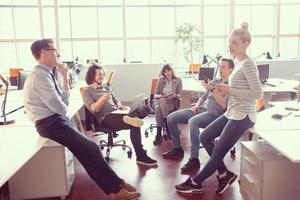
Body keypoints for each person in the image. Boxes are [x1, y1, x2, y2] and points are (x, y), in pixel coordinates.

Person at [23, 39, 140, 200]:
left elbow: (62, 102)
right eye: (54, 50)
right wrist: (63, 102)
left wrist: (64, 77)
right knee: (91, 148)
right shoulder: (40, 77)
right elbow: (61, 107)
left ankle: (116, 186)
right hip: (49, 123)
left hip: (56, 119)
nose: (58, 53)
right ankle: (114, 189)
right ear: (43, 52)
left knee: (88, 151)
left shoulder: (48, 73)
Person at [175, 22, 263, 195]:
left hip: (243, 115)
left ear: (246, 44)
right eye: (230, 42)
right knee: (205, 136)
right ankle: (224, 174)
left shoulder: (248, 64)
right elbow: (239, 90)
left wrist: (230, 89)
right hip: (233, 111)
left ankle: (196, 182)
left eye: (235, 43)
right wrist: (223, 90)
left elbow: (257, 92)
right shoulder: (238, 62)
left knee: (218, 152)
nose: (230, 45)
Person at [163, 58, 234, 173]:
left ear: (231, 69)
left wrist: (212, 90)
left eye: (224, 67)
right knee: (171, 118)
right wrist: (197, 105)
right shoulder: (216, 80)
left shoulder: (230, 86)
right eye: (220, 66)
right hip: (202, 109)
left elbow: (224, 106)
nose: (220, 69)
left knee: (193, 122)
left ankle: (194, 159)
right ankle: (177, 148)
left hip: (215, 116)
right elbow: (204, 96)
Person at [82, 63, 157, 166]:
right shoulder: (86, 91)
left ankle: (130, 117)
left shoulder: (105, 87)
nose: (102, 76)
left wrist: (120, 105)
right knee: (134, 122)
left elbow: (116, 100)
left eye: (102, 74)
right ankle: (141, 156)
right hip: (105, 118)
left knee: (146, 108)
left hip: (117, 112)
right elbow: (92, 109)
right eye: (99, 74)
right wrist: (102, 100)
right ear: (91, 76)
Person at [152, 64, 182, 146]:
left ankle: (158, 134)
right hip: (161, 100)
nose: (167, 73)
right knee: (162, 101)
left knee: (158, 109)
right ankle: (168, 128)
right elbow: (155, 94)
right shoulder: (161, 80)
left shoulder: (178, 80)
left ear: (171, 70)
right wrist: (161, 96)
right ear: (163, 74)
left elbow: (179, 94)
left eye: (168, 70)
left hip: (171, 102)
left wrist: (175, 95)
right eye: (165, 72)